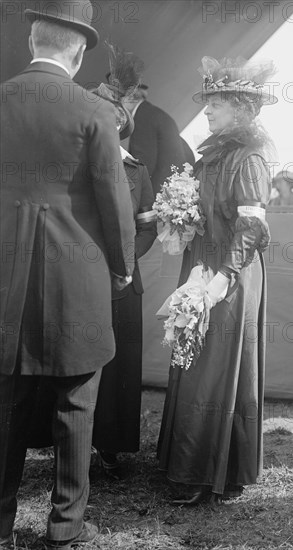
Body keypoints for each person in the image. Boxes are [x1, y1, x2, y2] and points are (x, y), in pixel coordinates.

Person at [0, 2, 135, 549]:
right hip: (75, 279)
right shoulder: (95, 111)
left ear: (33, 41)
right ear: (77, 54)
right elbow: (115, 203)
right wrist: (122, 269)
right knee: (75, 404)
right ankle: (64, 528)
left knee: (3, 405)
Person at [157, 56, 277, 505]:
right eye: (207, 104)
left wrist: (223, 277)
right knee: (191, 359)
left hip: (232, 272)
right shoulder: (210, 157)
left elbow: (252, 229)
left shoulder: (249, 160)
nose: (206, 111)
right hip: (200, 265)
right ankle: (187, 462)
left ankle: (209, 471)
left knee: (215, 369)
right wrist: (177, 218)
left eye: (217, 104)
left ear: (242, 110)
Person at [90, 80, 157, 478]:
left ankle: (110, 445)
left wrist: (124, 262)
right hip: (81, 277)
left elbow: (147, 227)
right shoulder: (76, 165)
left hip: (124, 283)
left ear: (120, 122)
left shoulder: (137, 170)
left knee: (119, 367)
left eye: (113, 115)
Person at [115, 57, 191, 196]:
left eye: (118, 98)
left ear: (130, 96)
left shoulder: (142, 118)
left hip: (160, 200)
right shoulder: (154, 114)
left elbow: (143, 167)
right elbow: (188, 155)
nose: (117, 105)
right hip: (175, 197)